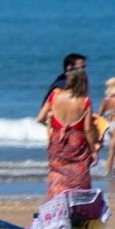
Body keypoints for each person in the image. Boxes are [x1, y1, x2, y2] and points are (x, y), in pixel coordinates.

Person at [45, 67, 99, 199]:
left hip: (57, 141)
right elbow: (87, 129)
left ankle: (56, 208)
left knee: (56, 175)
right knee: (79, 178)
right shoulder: (85, 101)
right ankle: (77, 210)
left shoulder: (54, 96)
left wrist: (52, 126)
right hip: (76, 144)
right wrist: (94, 151)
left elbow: (40, 117)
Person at [37, 53, 87, 126]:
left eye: (84, 67)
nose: (84, 71)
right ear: (69, 67)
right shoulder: (61, 86)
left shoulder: (60, 82)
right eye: (81, 68)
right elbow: (44, 115)